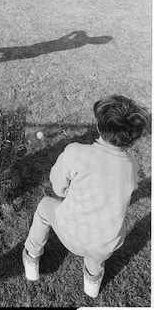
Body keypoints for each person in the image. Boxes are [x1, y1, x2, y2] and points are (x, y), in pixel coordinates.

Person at [22, 94, 148, 299]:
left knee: (45, 206)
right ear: (132, 138)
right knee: (98, 249)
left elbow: (58, 188)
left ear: (98, 126)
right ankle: (92, 285)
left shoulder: (76, 152)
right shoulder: (131, 165)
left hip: (70, 233)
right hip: (106, 245)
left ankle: (32, 257)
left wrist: (65, 192)